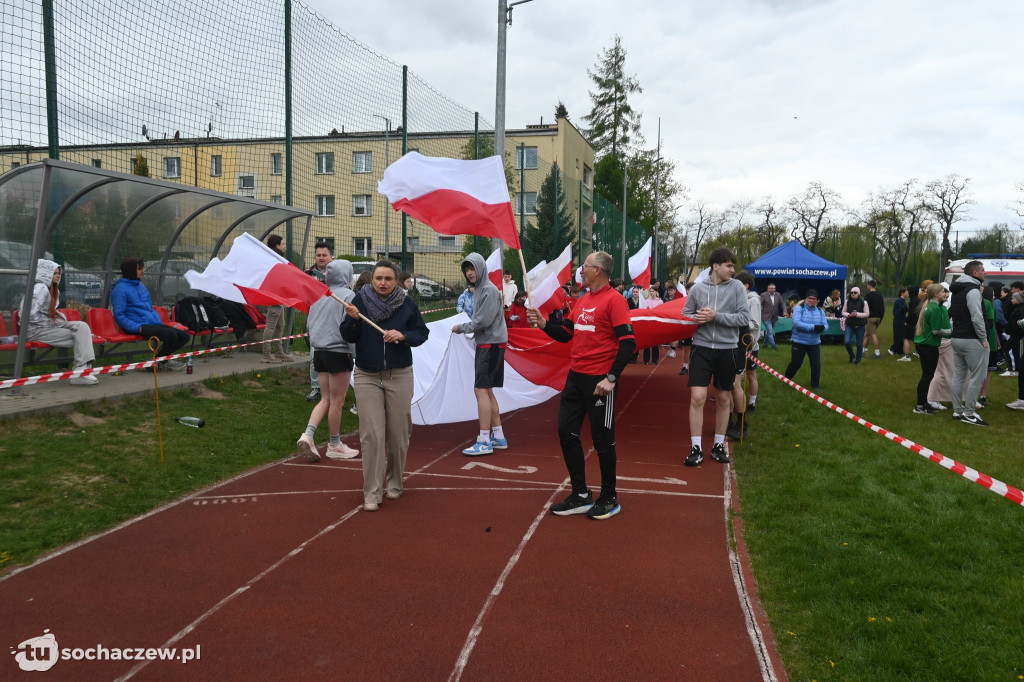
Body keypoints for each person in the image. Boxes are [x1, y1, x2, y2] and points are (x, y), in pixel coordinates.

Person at [526, 251, 635, 520]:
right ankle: (581, 495)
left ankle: (609, 497)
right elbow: (566, 334)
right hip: (575, 378)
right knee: (566, 432)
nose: (580, 271)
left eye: (584, 267)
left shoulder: (616, 300)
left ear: (597, 270)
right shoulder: (582, 300)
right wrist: (542, 324)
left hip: (600, 382)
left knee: (602, 441)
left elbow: (628, 343)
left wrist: (611, 378)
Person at [341, 260, 429, 512]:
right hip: (367, 376)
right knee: (372, 435)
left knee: (398, 434)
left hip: (399, 375)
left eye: (388, 279)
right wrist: (354, 321)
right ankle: (371, 491)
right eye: (378, 278)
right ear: (372, 280)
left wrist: (403, 336)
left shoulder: (407, 304)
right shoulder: (359, 301)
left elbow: (421, 333)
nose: (382, 283)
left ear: (396, 281)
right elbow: (347, 335)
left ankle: (395, 482)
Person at [681, 247, 749, 467]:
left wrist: (716, 316)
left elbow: (743, 318)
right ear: (716, 266)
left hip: (727, 348)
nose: (732, 270)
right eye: (729, 266)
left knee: (723, 398)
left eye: (733, 266)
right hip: (701, 348)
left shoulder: (738, 287)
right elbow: (685, 315)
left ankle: (719, 445)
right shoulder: (698, 289)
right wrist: (696, 319)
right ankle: (696, 447)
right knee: (697, 397)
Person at [296, 260, 360, 462]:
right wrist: (355, 352)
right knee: (337, 402)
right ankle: (334, 444)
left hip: (320, 352)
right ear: (347, 275)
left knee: (326, 398)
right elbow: (349, 326)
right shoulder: (348, 296)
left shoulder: (318, 295)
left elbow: (311, 324)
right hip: (339, 352)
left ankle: (308, 434)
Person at [452, 252, 509, 456]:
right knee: (487, 391)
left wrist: (461, 327)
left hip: (490, 344)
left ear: (481, 268)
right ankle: (498, 436)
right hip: (489, 343)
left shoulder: (488, 290)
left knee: (480, 391)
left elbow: (482, 321)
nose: (469, 273)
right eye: (467, 269)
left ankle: (484, 440)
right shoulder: (480, 290)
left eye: (472, 268)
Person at [26, 259, 99, 385]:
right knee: (80, 337)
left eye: (59, 272)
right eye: (54, 273)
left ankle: (82, 369)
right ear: (44, 273)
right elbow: (28, 316)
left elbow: (50, 313)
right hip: (35, 330)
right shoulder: (39, 288)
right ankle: (80, 372)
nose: (58, 275)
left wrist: (57, 320)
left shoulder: (53, 289)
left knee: (83, 327)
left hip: (49, 326)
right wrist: (52, 322)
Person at [111, 257, 189, 371]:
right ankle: (160, 362)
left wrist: (157, 321)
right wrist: (138, 328)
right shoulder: (120, 289)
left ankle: (160, 360)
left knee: (184, 336)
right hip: (138, 326)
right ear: (130, 270)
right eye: (139, 269)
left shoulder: (141, 287)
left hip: (151, 324)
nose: (142, 271)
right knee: (171, 334)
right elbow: (119, 315)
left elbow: (149, 308)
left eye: (142, 268)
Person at [949, 260, 989, 426]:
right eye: (982, 270)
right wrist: (984, 338)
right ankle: (969, 413)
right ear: (974, 273)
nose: (984, 272)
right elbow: (976, 317)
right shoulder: (972, 291)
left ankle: (958, 411)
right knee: (977, 377)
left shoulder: (957, 290)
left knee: (959, 375)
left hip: (957, 338)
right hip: (971, 339)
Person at [726, 270, 761, 439]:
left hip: (745, 344)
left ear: (744, 286)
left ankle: (743, 420)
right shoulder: (739, 299)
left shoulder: (752, 301)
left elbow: (752, 323)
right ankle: (731, 420)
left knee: (742, 380)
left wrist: (734, 318)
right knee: (731, 384)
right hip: (734, 344)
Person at [912, 283, 951, 414]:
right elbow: (936, 331)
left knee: (927, 375)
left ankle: (923, 403)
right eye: (942, 292)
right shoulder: (934, 308)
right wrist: (953, 332)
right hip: (929, 346)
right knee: (927, 376)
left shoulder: (932, 306)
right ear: (935, 294)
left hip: (925, 345)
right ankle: (920, 405)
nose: (945, 294)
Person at [304, 241, 332, 402]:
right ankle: (316, 388)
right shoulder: (308, 273)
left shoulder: (338, 271)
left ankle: (339, 385)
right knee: (315, 354)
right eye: (318, 255)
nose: (321, 258)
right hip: (315, 318)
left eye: (324, 255)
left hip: (335, 318)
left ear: (331, 256)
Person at [784, 290, 828, 390]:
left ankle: (815, 386)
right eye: (810, 298)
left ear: (817, 301)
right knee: (796, 364)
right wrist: (814, 327)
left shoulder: (820, 311)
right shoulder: (799, 309)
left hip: (814, 343)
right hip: (799, 342)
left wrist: (823, 328)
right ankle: (786, 380)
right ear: (806, 299)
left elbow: (826, 325)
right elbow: (797, 324)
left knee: (816, 365)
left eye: (814, 299)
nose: (812, 300)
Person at [261, 235, 292, 363]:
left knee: (280, 325)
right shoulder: (274, 259)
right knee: (271, 326)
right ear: (277, 246)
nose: (284, 246)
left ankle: (279, 352)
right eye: (282, 244)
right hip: (274, 297)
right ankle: (266, 354)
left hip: (280, 297)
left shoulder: (278, 258)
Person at [1004, 291, 1024, 409]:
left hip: (1016, 335)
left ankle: (1011, 369)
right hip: (1017, 335)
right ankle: (1021, 399)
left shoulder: (1018, 310)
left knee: (1021, 366)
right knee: (1021, 366)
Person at [841, 286, 869, 364]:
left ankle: (858, 360)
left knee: (859, 344)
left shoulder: (864, 302)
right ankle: (852, 355)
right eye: (851, 292)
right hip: (850, 325)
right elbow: (843, 312)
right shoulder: (847, 301)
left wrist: (857, 314)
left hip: (860, 326)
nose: (853, 294)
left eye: (855, 292)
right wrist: (848, 315)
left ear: (858, 294)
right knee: (847, 342)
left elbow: (867, 314)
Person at [863, 280, 885, 359]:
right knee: (866, 334)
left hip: (870, 318)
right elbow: (883, 308)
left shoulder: (868, 296)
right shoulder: (880, 295)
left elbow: (864, 307)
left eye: (867, 285)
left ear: (870, 285)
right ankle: (862, 351)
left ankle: (877, 353)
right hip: (878, 317)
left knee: (873, 335)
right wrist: (880, 319)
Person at [759, 283, 784, 350]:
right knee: (770, 331)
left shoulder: (778, 295)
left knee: (770, 331)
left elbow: (782, 303)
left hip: (774, 316)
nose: (773, 290)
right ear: (768, 289)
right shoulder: (763, 295)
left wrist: (785, 311)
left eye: (774, 288)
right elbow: (759, 304)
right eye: (771, 288)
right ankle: (774, 346)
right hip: (765, 316)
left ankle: (764, 344)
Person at [642, 285, 662, 365]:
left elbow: (661, 312)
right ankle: (646, 360)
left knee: (655, 343)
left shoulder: (660, 301)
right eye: (650, 291)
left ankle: (655, 360)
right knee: (647, 342)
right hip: (648, 323)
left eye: (653, 291)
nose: (651, 293)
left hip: (656, 323)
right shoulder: (647, 301)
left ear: (656, 292)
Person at [889, 287, 909, 358]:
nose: (907, 293)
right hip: (899, 320)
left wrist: (904, 309)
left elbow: (903, 309)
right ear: (902, 293)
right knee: (899, 335)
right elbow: (903, 309)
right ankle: (892, 349)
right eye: (906, 292)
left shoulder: (902, 300)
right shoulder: (900, 300)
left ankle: (899, 351)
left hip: (901, 319)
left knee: (902, 335)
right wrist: (904, 309)